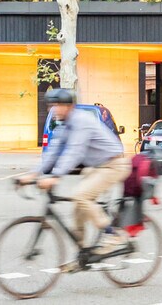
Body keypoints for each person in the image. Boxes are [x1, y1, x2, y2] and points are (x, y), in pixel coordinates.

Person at [18, 87, 130, 259]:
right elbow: (53, 152)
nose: (52, 109)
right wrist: (32, 175)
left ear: (68, 106)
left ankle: (113, 234)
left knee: (81, 195)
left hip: (113, 165)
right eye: (50, 106)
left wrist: (55, 177)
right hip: (97, 166)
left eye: (56, 105)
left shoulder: (81, 121)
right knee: (78, 209)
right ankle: (83, 253)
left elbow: (74, 151)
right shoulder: (64, 124)